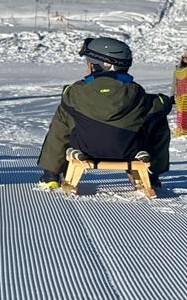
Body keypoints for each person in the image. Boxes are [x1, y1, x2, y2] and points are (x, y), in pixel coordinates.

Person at [37, 37, 172, 189]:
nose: (87, 68)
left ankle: (51, 175)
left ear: (104, 65)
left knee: (64, 115)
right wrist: (164, 100)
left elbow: (62, 118)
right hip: (128, 150)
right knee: (157, 119)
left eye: (90, 63)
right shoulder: (137, 94)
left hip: (84, 148)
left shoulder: (75, 92)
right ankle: (151, 176)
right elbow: (161, 105)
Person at [173, 50, 187, 137]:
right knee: (181, 114)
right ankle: (182, 129)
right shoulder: (178, 69)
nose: (186, 59)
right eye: (185, 57)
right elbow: (174, 83)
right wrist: (171, 95)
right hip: (180, 96)